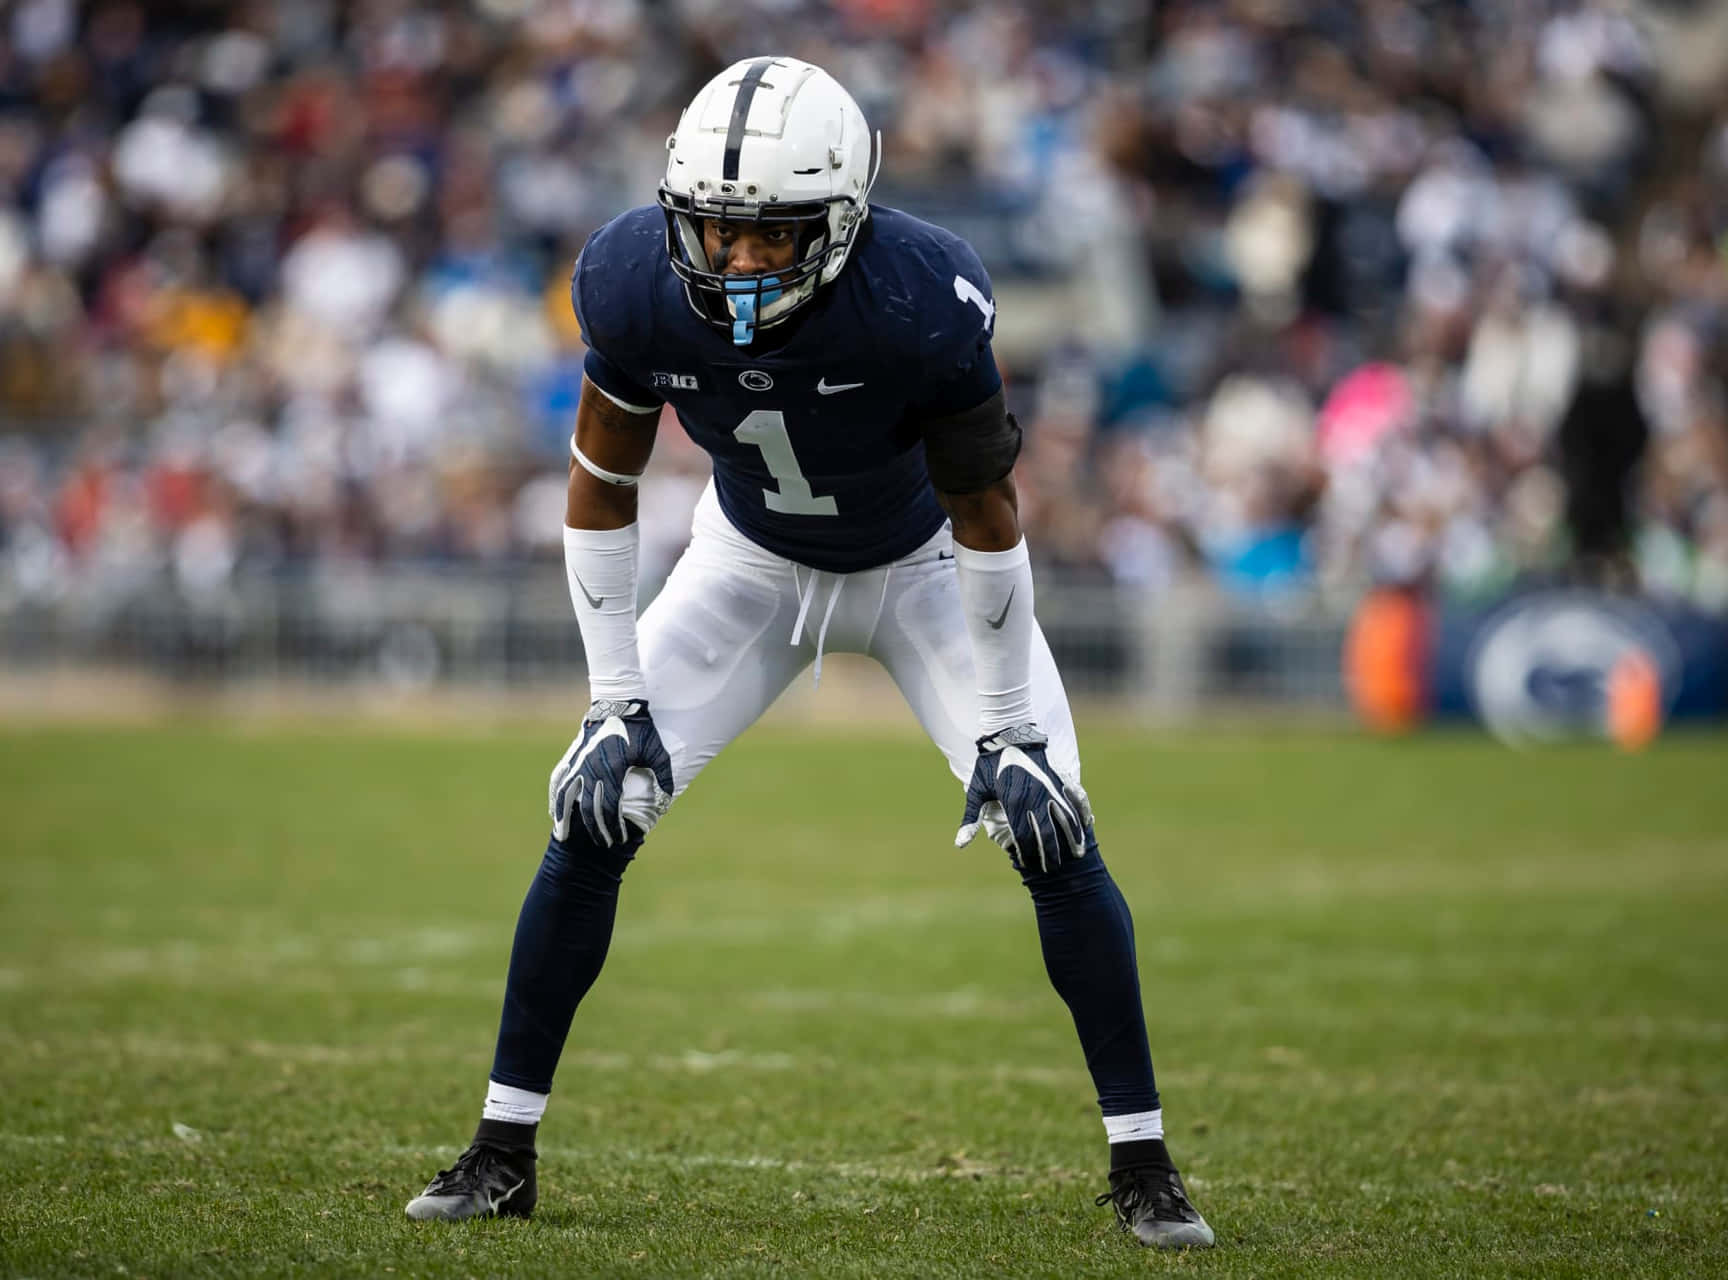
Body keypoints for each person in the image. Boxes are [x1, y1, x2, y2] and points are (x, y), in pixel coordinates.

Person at [404, 56, 1214, 1250]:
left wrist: (1009, 726)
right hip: (747, 564)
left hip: (924, 568)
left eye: (767, 238)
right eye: (715, 233)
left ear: (841, 221)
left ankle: (1144, 1162)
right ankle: (501, 1149)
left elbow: (990, 516)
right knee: (594, 810)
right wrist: (611, 697)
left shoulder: (921, 294)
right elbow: (600, 481)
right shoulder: (632, 278)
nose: (732, 263)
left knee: (1057, 829)